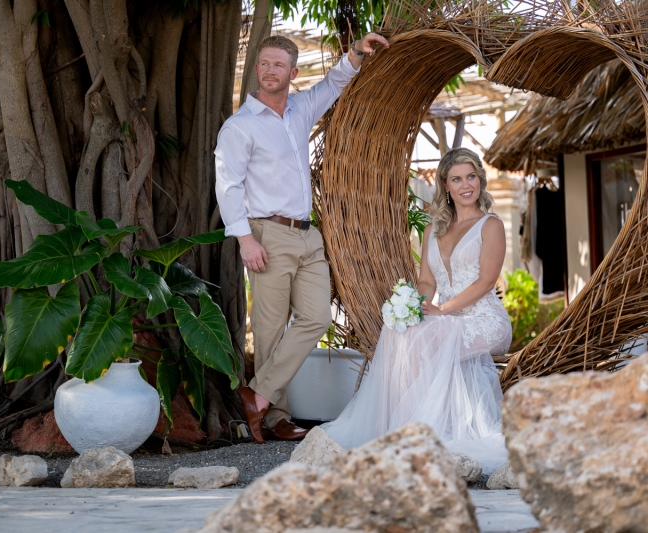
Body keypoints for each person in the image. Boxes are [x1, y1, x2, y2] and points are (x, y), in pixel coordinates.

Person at [215, 33, 390, 444]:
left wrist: (356, 53)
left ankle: (256, 395)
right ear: (256, 68)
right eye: (264, 64)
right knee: (271, 329)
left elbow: (332, 83)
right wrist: (245, 239)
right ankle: (275, 417)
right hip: (267, 233)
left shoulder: (299, 109)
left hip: (307, 235)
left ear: (292, 73)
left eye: (279, 65)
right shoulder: (239, 127)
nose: (270, 71)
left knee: (316, 317)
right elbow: (228, 186)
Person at [322, 148, 513, 473]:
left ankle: (417, 434)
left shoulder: (490, 225)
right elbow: (426, 281)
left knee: (432, 336)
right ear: (445, 185)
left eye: (471, 177)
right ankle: (405, 429)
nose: (466, 185)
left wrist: (442, 310)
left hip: (484, 320)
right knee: (401, 330)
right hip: (445, 317)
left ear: (480, 179)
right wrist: (416, 305)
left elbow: (486, 281)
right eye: (457, 179)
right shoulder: (433, 230)